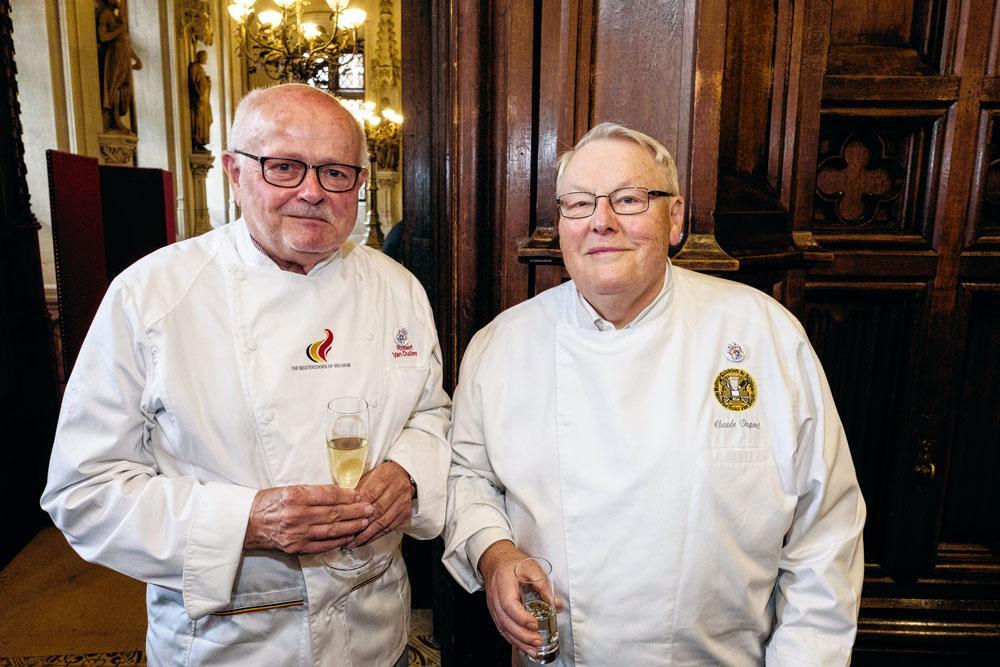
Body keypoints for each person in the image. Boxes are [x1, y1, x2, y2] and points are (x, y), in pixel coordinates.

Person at [42, 83, 451, 665]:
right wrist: (249, 521)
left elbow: (430, 413)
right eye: (284, 167)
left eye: (336, 172)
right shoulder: (151, 295)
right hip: (227, 640)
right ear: (234, 173)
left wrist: (407, 473)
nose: (312, 192)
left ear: (361, 182)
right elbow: (84, 491)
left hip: (372, 628)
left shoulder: (397, 287)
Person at [443, 122, 866, 665]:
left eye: (629, 199)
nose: (602, 221)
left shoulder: (763, 335)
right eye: (578, 204)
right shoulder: (501, 345)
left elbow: (824, 531)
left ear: (675, 218)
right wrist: (494, 553)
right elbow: (467, 477)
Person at [96, 0, 141, 132]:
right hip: (114, 56)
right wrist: (118, 30)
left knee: (124, 88)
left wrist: (136, 59)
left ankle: (117, 119)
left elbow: (125, 41)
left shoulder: (117, 18)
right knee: (114, 87)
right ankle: (113, 119)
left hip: (123, 55)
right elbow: (103, 37)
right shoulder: (106, 15)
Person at [188, 50, 212, 150]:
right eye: (205, 57)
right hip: (199, 101)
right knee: (198, 122)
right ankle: (197, 142)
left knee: (208, 119)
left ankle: (201, 142)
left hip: (204, 101)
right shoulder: (194, 67)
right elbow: (192, 82)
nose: (206, 60)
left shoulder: (201, 69)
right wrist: (198, 95)